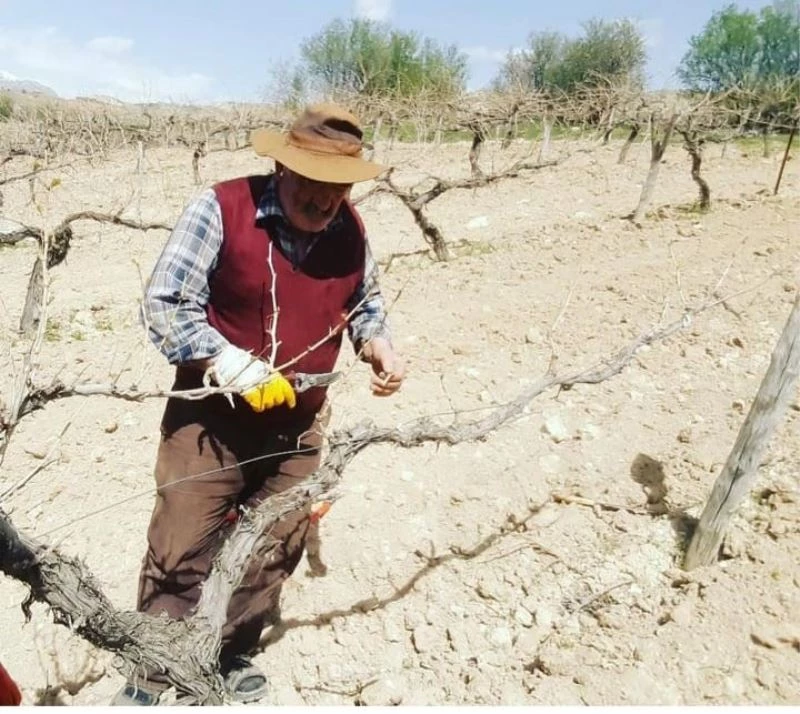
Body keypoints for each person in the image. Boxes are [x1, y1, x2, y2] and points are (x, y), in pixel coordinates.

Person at [112, 103, 405, 705]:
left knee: (275, 544)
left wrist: (377, 343)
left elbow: (365, 299)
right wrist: (229, 363)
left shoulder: (350, 228)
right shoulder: (219, 209)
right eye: (312, 186)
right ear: (281, 166)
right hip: (210, 422)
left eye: (338, 189)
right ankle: (152, 673)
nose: (326, 203)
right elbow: (166, 304)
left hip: (298, 428)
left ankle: (230, 649)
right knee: (180, 546)